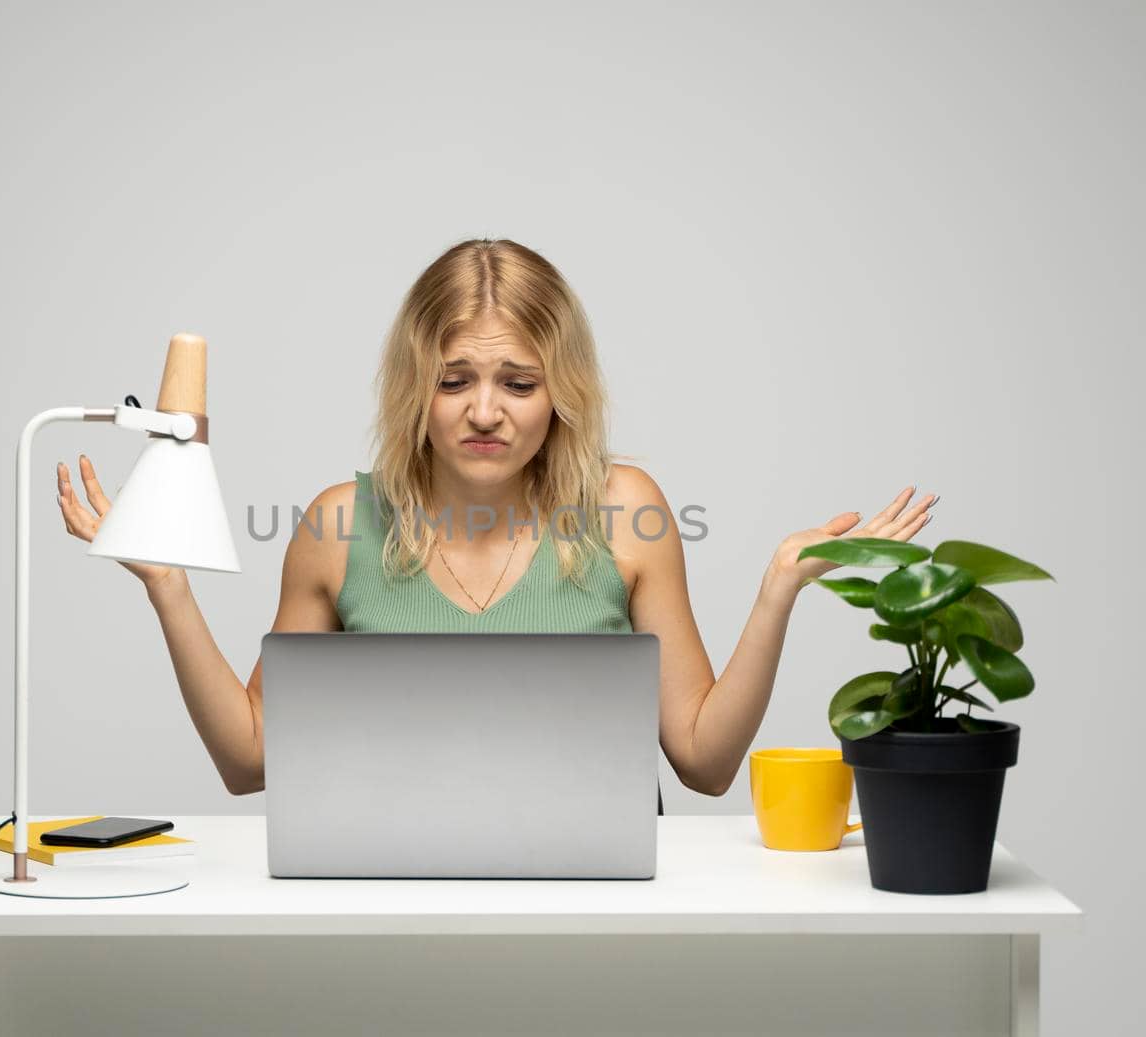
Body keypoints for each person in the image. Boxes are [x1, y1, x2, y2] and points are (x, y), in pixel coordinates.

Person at [55, 238, 936, 807]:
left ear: (562, 394)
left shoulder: (626, 513)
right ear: (416, 389)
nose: (485, 411)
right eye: (454, 381)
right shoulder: (336, 525)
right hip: (393, 901)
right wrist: (167, 588)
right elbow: (249, 761)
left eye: (518, 382)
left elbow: (704, 763)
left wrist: (779, 586)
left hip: (603, 910)